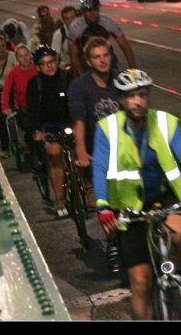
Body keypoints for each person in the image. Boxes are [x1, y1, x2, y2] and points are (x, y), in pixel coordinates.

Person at [91, 69, 181, 320]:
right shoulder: (107, 129)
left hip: (163, 195)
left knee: (179, 237)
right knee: (140, 283)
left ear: (149, 97)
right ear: (122, 100)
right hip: (128, 206)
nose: (138, 101)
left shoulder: (165, 122)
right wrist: (103, 205)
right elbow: (100, 167)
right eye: (132, 96)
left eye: (143, 95)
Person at [68, 37, 121, 272]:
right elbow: (79, 120)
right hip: (99, 151)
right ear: (89, 61)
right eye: (97, 57)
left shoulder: (122, 80)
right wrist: (81, 150)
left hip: (126, 148)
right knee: (108, 200)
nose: (102, 61)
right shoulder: (80, 87)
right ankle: (113, 242)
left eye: (106, 55)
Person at [26, 45, 73, 217]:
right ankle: (60, 199)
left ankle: (88, 191)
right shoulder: (34, 84)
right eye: (44, 64)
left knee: (80, 151)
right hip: (49, 127)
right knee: (54, 154)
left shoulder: (66, 78)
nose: (49, 66)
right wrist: (37, 131)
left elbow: (76, 102)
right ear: (38, 67)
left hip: (69, 123)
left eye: (52, 62)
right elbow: (32, 111)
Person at [68, 0, 136, 77]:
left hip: (106, 56)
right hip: (86, 60)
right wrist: (81, 76)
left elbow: (125, 47)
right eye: (89, 11)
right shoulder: (75, 27)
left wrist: (133, 72)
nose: (93, 14)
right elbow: (73, 55)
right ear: (83, 12)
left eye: (95, 10)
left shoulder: (109, 22)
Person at [1, 44, 38, 139]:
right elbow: (6, 90)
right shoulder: (13, 73)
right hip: (24, 109)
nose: (24, 58)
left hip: (40, 106)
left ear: (30, 55)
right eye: (21, 56)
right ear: (17, 58)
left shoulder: (37, 68)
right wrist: (5, 107)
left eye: (26, 55)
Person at [50, 5, 78, 70]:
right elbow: (55, 56)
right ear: (63, 21)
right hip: (67, 67)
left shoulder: (83, 30)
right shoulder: (59, 34)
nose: (71, 21)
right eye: (67, 19)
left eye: (72, 17)